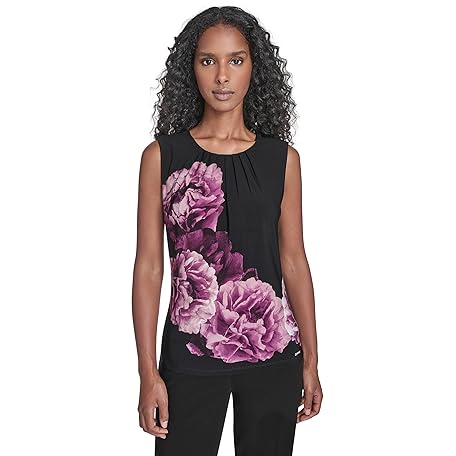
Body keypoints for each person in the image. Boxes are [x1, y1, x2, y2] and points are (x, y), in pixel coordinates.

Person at [132, 6, 323, 456]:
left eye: (236, 60)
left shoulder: (282, 160)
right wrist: (147, 372)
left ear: (254, 68)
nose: (222, 76)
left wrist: (312, 360)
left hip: (273, 352)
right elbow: (149, 267)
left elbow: (294, 261)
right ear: (191, 68)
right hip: (189, 356)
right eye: (208, 61)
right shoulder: (162, 156)